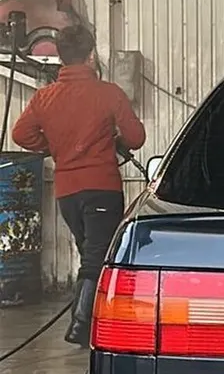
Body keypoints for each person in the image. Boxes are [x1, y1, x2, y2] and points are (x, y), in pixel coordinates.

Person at [12, 25, 146, 347]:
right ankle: (81, 323)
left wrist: (54, 147)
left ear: (61, 56)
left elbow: (20, 134)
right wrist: (112, 138)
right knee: (97, 255)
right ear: (91, 56)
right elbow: (136, 138)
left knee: (90, 252)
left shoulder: (44, 97)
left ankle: (95, 323)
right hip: (101, 187)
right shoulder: (108, 93)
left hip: (67, 193)